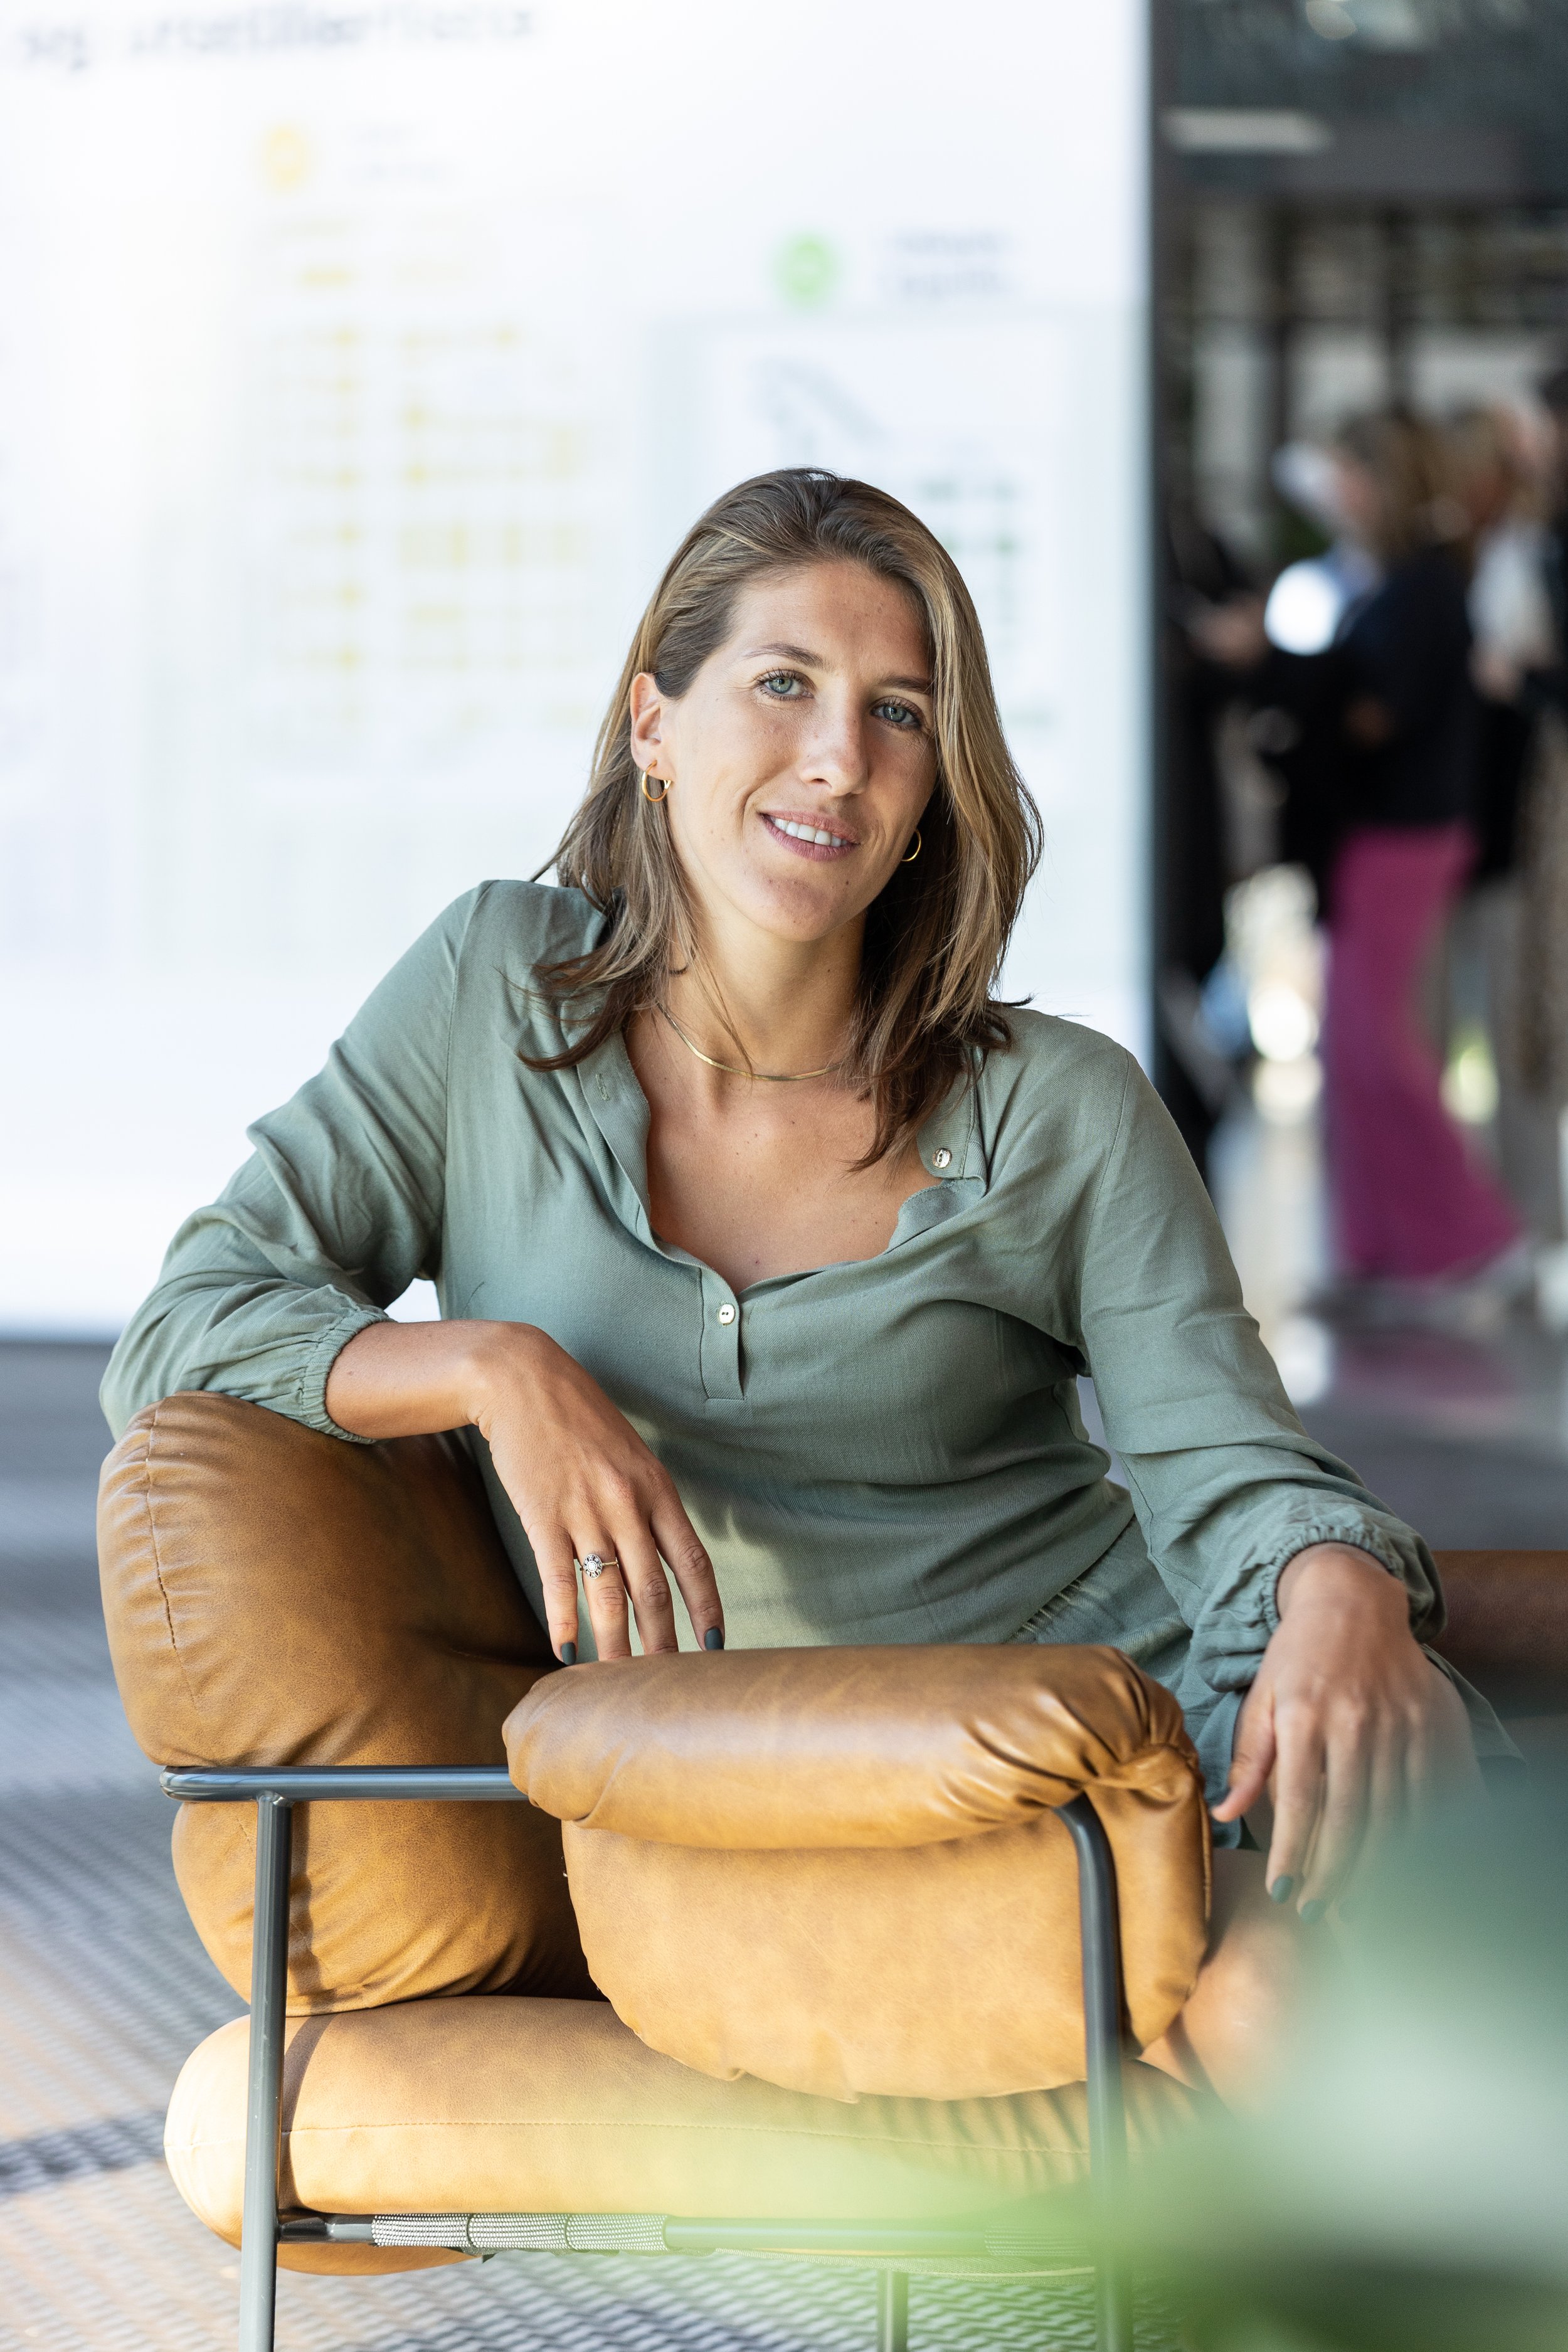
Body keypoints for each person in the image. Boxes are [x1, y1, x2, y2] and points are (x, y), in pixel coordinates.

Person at [102, 468, 1493, 2104]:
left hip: (1135, 1723)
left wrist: (1336, 1583)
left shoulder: (1055, 1106)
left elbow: (1231, 1472)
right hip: (799, 1814)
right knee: (1256, 2007)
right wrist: (493, 1369)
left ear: (935, 785)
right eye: (783, 684)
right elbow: (189, 1322)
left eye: (898, 713)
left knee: (1288, 1998)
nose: (839, 759)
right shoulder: (492, 994)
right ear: (653, 723)